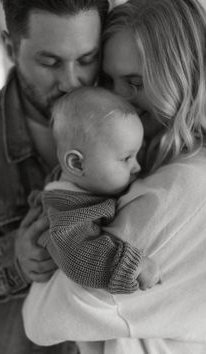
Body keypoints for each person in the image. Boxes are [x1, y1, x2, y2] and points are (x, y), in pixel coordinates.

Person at [22, 0, 206, 353]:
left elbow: (43, 318)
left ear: (182, 77)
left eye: (135, 82)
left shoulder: (179, 185)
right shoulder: (142, 165)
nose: (118, 98)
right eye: (109, 79)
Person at [0, 1, 110, 353]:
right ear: (9, 47)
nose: (71, 81)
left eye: (87, 59)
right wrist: (11, 260)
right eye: (50, 62)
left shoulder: (134, 125)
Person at [24, 86, 160, 302]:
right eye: (126, 158)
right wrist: (130, 267)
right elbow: (77, 256)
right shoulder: (68, 210)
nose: (137, 167)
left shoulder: (76, 182)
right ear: (77, 163)